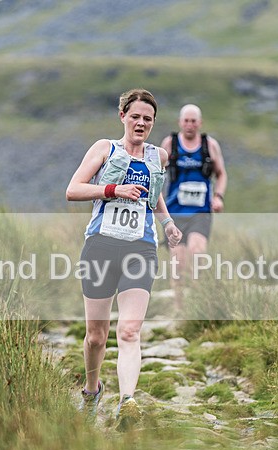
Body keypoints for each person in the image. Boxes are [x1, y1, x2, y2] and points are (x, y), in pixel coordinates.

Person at [66, 88, 182, 431]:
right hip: (101, 246)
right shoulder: (105, 149)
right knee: (96, 336)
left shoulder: (157, 156)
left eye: (148, 119)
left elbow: (155, 196)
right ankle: (92, 391)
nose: (141, 123)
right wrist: (113, 190)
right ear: (123, 117)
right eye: (136, 117)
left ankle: (127, 401)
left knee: (130, 330)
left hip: (140, 248)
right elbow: (73, 189)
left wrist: (168, 223)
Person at [160, 104, 228, 312]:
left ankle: (199, 307)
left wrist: (218, 196)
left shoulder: (210, 145)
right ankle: (180, 309)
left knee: (197, 256)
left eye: (193, 121)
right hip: (175, 212)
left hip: (200, 212)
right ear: (180, 122)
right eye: (186, 121)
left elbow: (221, 174)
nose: (190, 125)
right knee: (178, 264)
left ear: (200, 123)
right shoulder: (169, 144)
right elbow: (157, 174)